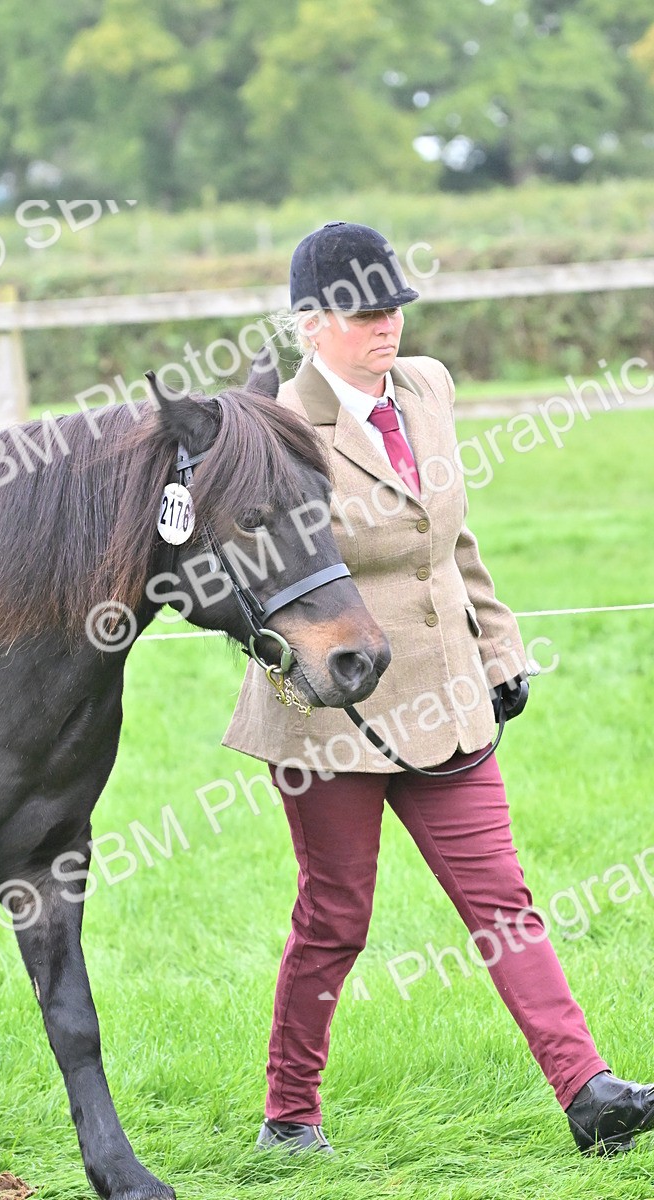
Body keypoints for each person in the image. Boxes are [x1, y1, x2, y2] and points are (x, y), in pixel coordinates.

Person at [222, 221, 654, 1158]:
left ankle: (589, 1091)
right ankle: (289, 1117)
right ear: (310, 324)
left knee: (503, 900)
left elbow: (451, 538)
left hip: (447, 699)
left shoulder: (428, 388)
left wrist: (499, 649)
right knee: (335, 919)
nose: (387, 325)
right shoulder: (276, 424)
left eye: (395, 307)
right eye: (364, 312)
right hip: (332, 716)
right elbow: (256, 577)